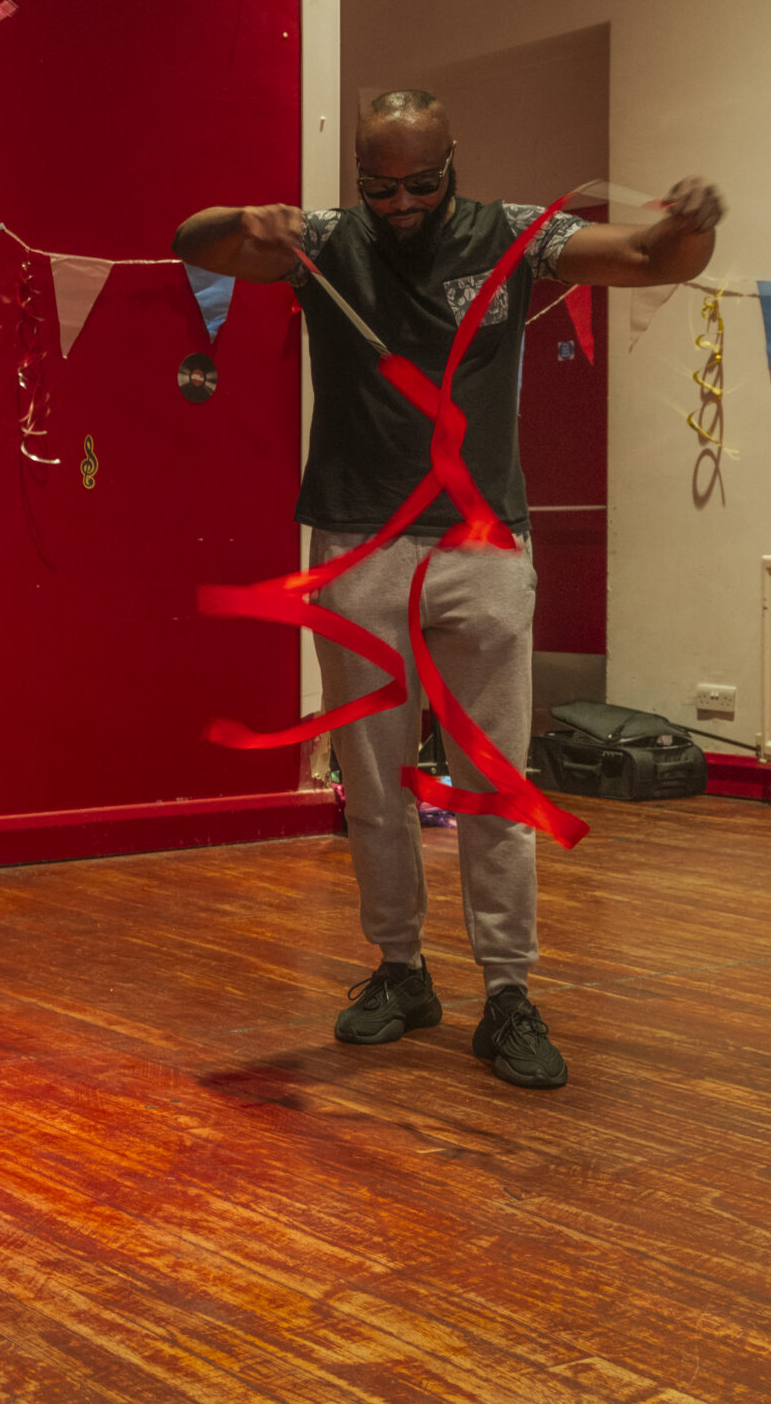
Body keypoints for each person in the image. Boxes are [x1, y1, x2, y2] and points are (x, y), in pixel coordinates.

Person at [173, 89, 722, 1090]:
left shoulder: (512, 236)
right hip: (355, 541)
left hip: (482, 541)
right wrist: (241, 220)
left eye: (420, 184)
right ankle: (399, 971)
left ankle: (508, 992)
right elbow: (195, 242)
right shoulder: (327, 240)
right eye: (379, 188)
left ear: (452, 163)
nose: (400, 206)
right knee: (374, 790)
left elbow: (652, 262)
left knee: (494, 787)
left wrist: (691, 228)